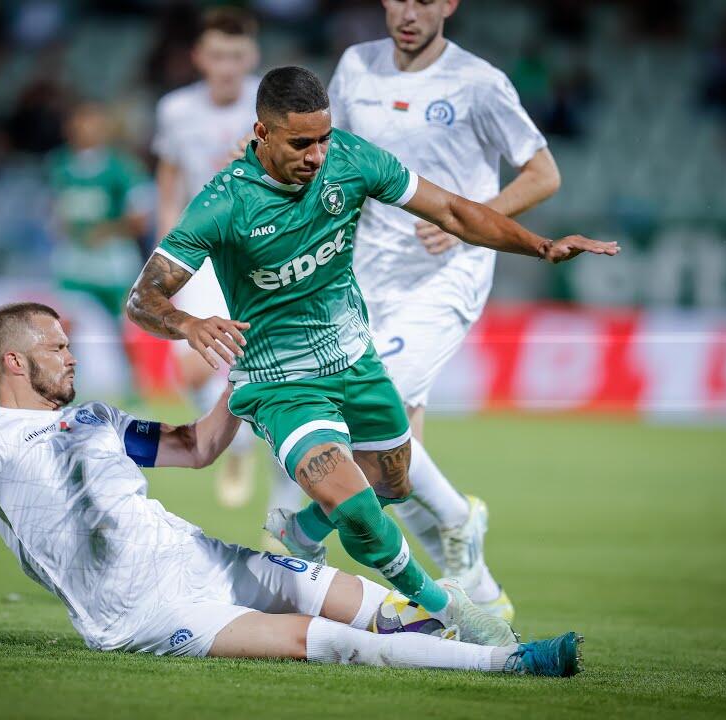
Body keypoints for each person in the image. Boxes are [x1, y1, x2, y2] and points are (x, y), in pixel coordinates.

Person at [125, 66, 617, 646]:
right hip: (280, 380)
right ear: (261, 133)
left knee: (393, 483)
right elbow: (143, 299)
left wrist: (541, 246)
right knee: (358, 507)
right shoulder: (224, 201)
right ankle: (450, 613)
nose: (316, 155)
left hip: (355, 360)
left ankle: (301, 531)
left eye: (323, 138)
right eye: (300, 143)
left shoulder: (350, 160)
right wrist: (187, 323)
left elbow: (452, 211)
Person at [0, 302, 582, 677]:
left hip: (199, 556)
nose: (71, 356)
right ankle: (510, 665)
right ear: (14, 361)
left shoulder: (97, 418)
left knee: (372, 604)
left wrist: (245, 378)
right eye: (57, 347)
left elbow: (197, 447)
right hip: (140, 609)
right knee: (319, 641)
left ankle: (481, 630)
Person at [313, 0, 565, 622]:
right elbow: (328, 156)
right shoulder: (357, 66)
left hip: (447, 273)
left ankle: (460, 518)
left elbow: (543, 174)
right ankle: (478, 597)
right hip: (366, 274)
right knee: (390, 464)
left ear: (449, 4)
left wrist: (470, 219)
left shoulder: (478, 82)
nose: (409, 11)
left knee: (382, 411)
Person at [152, 7, 301, 521]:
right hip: (201, 248)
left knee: (278, 374)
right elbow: (169, 180)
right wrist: (165, 250)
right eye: (217, 56)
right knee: (192, 367)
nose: (227, 67)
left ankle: (283, 507)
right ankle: (236, 444)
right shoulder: (176, 110)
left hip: (263, 252)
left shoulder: (275, 104)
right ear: (199, 57)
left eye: (236, 56)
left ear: (251, 56)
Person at [46, 99, 152, 401]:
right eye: (82, 121)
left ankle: (134, 391)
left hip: (111, 260)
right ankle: (66, 390)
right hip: (75, 259)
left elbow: (140, 219)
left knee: (122, 329)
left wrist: (107, 231)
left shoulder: (121, 168)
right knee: (64, 327)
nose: (87, 128)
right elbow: (57, 209)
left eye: (93, 121)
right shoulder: (60, 165)